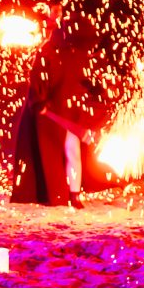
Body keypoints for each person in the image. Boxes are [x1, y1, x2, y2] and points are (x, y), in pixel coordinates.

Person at [11, 17, 107, 207]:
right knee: (56, 153)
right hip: (53, 113)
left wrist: (95, 94)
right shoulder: (48, 52)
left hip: (72, 111)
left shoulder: (80, 54)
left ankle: (74, 194)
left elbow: (87, 79)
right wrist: (40, 101)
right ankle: (60, 194)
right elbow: (39, 79)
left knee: (73, 151)